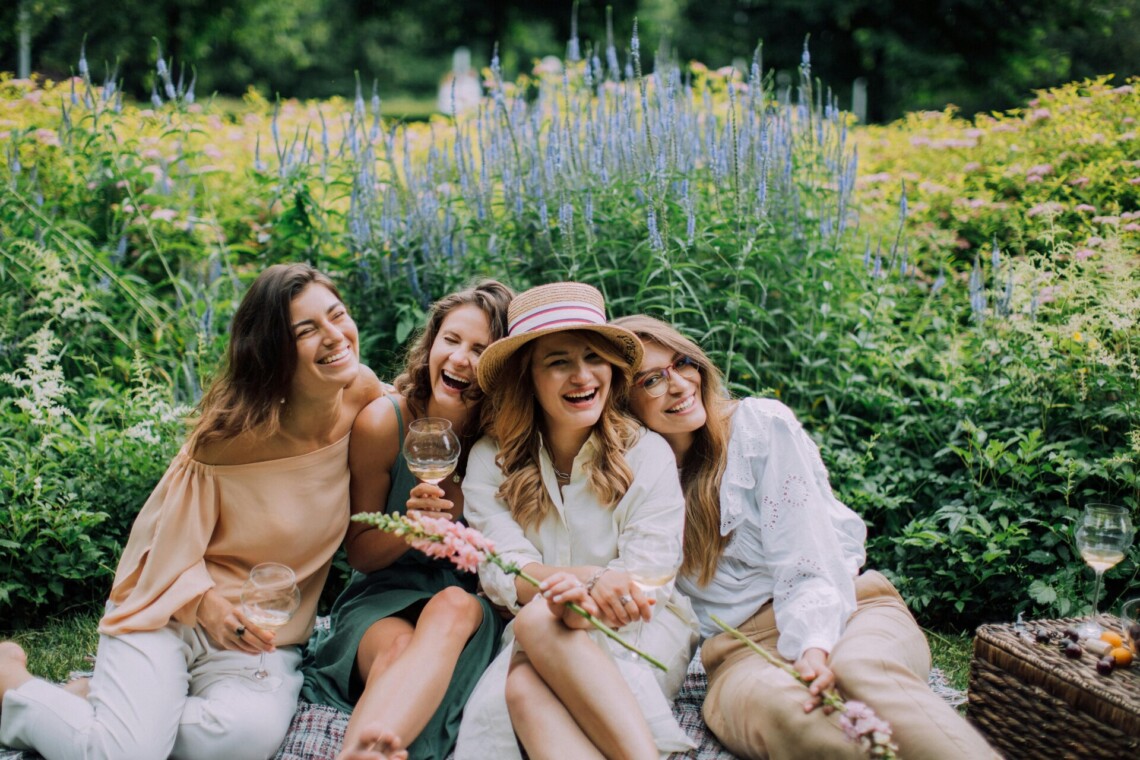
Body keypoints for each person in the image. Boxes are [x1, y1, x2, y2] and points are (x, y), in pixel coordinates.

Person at [0, 263, 383, 759]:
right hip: (169, 610)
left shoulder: (364, 395)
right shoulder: (230, 438)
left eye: (337, 315)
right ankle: (14, 688)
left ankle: (96, 708)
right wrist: (208, 606)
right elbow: (158, 548)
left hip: (260, 638)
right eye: (305, 331)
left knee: (243, 741)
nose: (335, 336)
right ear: (272, 353)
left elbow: (419, 418)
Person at [612, 315, 998, 760]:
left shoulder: (758, 427)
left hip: (849, 608)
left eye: (682, 363)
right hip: (741, 653)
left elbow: (809, 559)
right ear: (624, 403)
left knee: (859, 671)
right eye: (653, 380)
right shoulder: (637, 478)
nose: (680, 384)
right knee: (792, 712)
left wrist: (813, 647)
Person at [454, 283, 699, 760]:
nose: (582, 375)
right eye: (559, 361)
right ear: (529, 378)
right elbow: (503, 568)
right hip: (540, 632)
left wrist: (569, 598)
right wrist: (591, 579)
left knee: (533, 647)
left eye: (593, 357)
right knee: (524, 677)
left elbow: (648, 578)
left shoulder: (645, 453)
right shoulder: (492, 460)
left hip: (639, 631)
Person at [301, 281, 513, 760]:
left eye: (480, 349)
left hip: (464, 606)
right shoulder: (384, 423)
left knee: (456, 604)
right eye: (451, 340)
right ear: (431, 343)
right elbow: (360, 554)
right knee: (396, 654)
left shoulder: (505, 446)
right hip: (382, 597)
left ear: (502, 366)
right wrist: (409, 527)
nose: (460, 359)